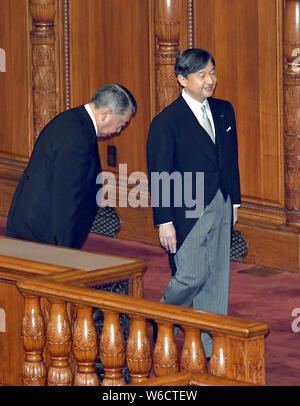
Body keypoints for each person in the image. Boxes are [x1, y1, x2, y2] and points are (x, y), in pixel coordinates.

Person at [147, 48, 241, 357]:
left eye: (212, 73)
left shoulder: (225, 110)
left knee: (217, 276)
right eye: (202, 75)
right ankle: (163, 316)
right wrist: (164, 220)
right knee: (192, 274)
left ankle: (209, 348)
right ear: (182, 80)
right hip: (186, 206)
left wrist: (235, 202)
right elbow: (160, 174)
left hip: (222, 201)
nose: (210, 80)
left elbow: (230, 160)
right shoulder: (166, 122)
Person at [6, 84, 137, 248]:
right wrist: (66, 250)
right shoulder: (78, 137)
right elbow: (67, 197)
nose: (119, 130)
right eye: (121, 123)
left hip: (32, 222)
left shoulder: (71, 120)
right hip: (44, 233)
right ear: (106, 114)